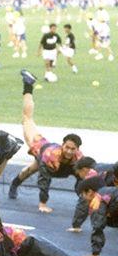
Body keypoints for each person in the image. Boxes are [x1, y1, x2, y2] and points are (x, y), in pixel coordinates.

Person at [8, 70, 82, 213]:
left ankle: (14, 183)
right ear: (62, 145)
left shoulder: (79, 159)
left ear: (77, 149)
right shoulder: (50, 156)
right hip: (41, 147)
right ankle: (28, 85)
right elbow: (44, 180)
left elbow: (85, 178)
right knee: (27, 118)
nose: (69, 151)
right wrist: (42, 203)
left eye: (73, 149)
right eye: (67, 147)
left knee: (30, 169)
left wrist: (85, 200)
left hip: (55, 164)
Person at [76, 177, 118, 256]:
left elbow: (98, 226)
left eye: (82, 195)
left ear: (90, 192)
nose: (83, 198)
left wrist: (95, 253)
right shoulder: (108, 191)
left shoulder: (97, 200)